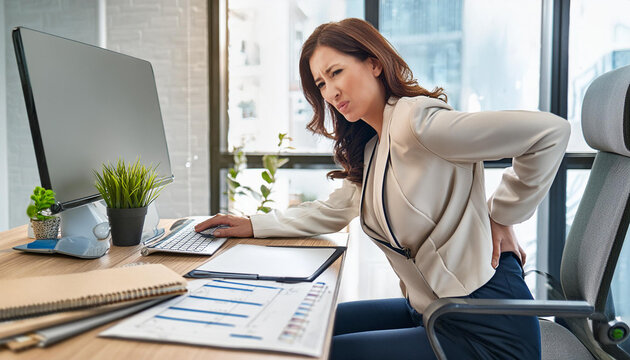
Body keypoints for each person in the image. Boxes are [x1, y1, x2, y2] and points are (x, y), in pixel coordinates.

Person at [196, 18, 569, 359]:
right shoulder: (375, 145)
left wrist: (502, 215)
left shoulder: (417, 120)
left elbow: (549, 133)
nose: (329, 92)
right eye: (321, 83)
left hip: (486, 326)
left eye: (336, 72)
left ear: (374, 63)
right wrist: (252, 225)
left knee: (324, 353)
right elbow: (332, 210)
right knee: (308, 328)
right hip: (431, 310)